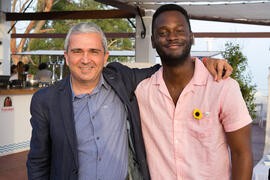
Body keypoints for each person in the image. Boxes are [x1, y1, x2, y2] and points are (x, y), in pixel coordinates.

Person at [27, 22, 232, 180]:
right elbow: (38, 161)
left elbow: (165, 71)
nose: (85, 59)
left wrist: (203, 62)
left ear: (105, 56)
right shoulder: (46, 100)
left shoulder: (121, 79)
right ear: (66, 56)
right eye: (77, 51)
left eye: (94, 51)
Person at [134, 4, 253, 180]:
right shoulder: (142, 91)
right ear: (152, 41)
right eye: (163, 32)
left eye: (180, 31)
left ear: (192, 37)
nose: (172, 37)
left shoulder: (223, 87)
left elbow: (241, 154)